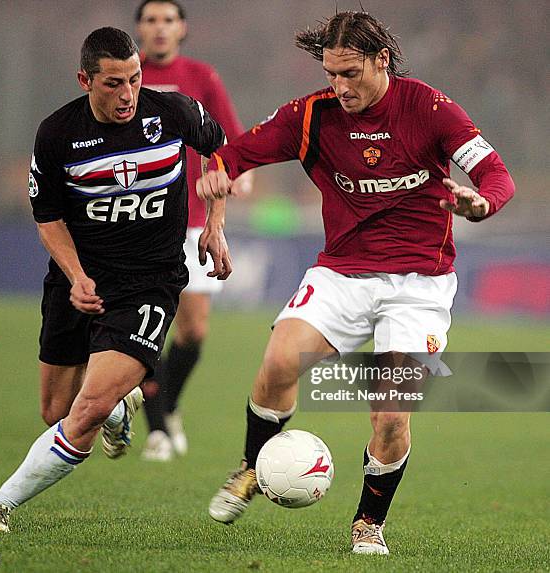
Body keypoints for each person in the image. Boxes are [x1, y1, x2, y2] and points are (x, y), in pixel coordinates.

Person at [196, 11, 514, 555]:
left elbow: (495, 174)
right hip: (342, 271)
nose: (339, 87)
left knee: (391, 414)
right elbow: (236, 152)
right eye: (331, 74)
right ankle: (252, 468)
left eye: (350, 74)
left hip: (421, 284)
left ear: (380, 61)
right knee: (277, 362)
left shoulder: (430, 109)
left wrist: (481, 204)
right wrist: (218, 181)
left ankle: (368, 522)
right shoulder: (310, 116)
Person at [0, 26, 229, 533]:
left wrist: (216, 225)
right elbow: (47, 218)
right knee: (56, 412)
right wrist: (76, 276)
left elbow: (221, 150)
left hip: (150, 283)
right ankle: (117, 411)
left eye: (134, 79)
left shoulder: (172, 112)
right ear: (84, 79)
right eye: (113, 83)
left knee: (83, 412)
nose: (128, 94)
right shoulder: (56, 134)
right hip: (81, 282)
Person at [134, 0, 253, 461]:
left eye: (167, 20)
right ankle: (158, 430)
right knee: (145, 330)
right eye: (150, 20)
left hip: (194, 221)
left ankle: (169, 402)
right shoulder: (126, 76)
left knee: (194, 331)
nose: (159, 28)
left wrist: (240, 171)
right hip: (139, 222)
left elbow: (227, 139)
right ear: (139, 29)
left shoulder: (202, 77)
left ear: (181, 28)